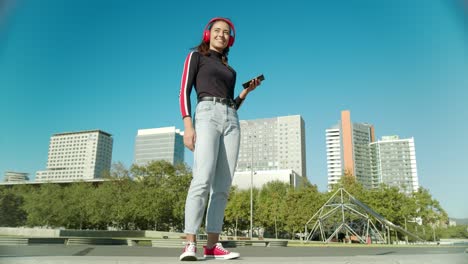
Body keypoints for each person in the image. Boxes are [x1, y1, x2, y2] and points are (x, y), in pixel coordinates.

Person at [178, 17, 260, 261]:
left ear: (230, 39)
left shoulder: (229, 70)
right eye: (217, 31)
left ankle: (212, 246)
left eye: (226, 33)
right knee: (202, 178)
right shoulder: (196, 57)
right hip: (206, 115)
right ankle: (190, 243)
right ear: (208, 34)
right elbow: (183, 90)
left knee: (222, 186)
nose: (221, 35)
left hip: (231, 119)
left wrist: (246, 92)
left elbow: (231, 104)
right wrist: (188, 125)